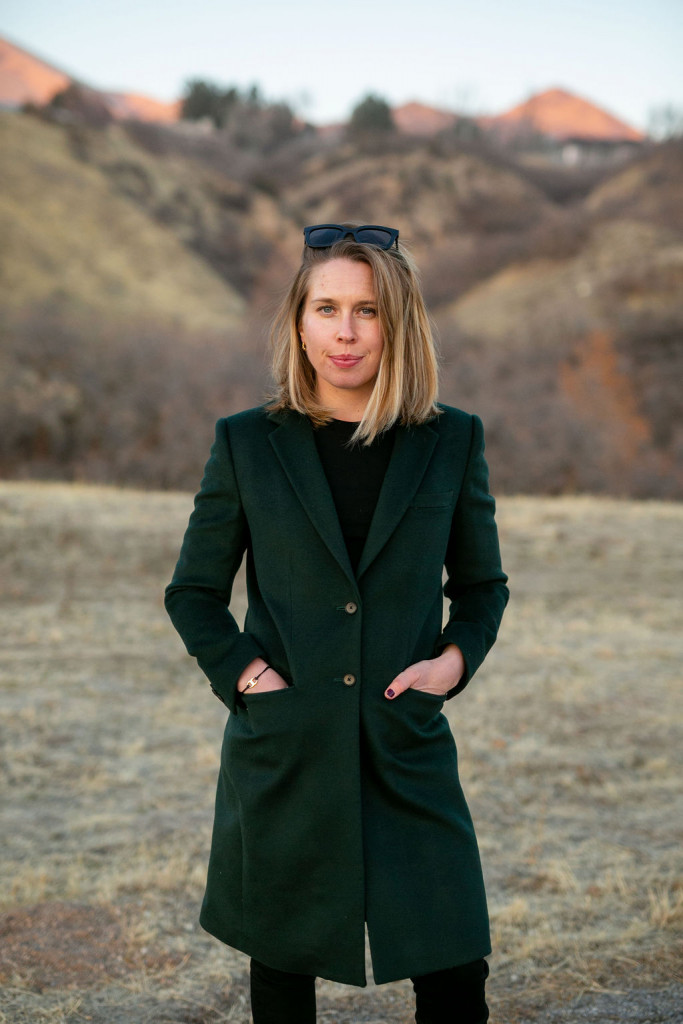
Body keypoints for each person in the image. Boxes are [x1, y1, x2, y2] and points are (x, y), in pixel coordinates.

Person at [165, 223, 509, 1024]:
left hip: (405, 740)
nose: (345, 332)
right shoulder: (246, 444)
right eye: (326, 308)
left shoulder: (450, 440)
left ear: (398, 322)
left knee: (455, 972)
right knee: (282, 973)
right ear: (298, 321)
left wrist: (449, 666)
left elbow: (483, 587)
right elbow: (192, 593)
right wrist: (252, 679)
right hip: (288, 741)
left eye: (366, 310)